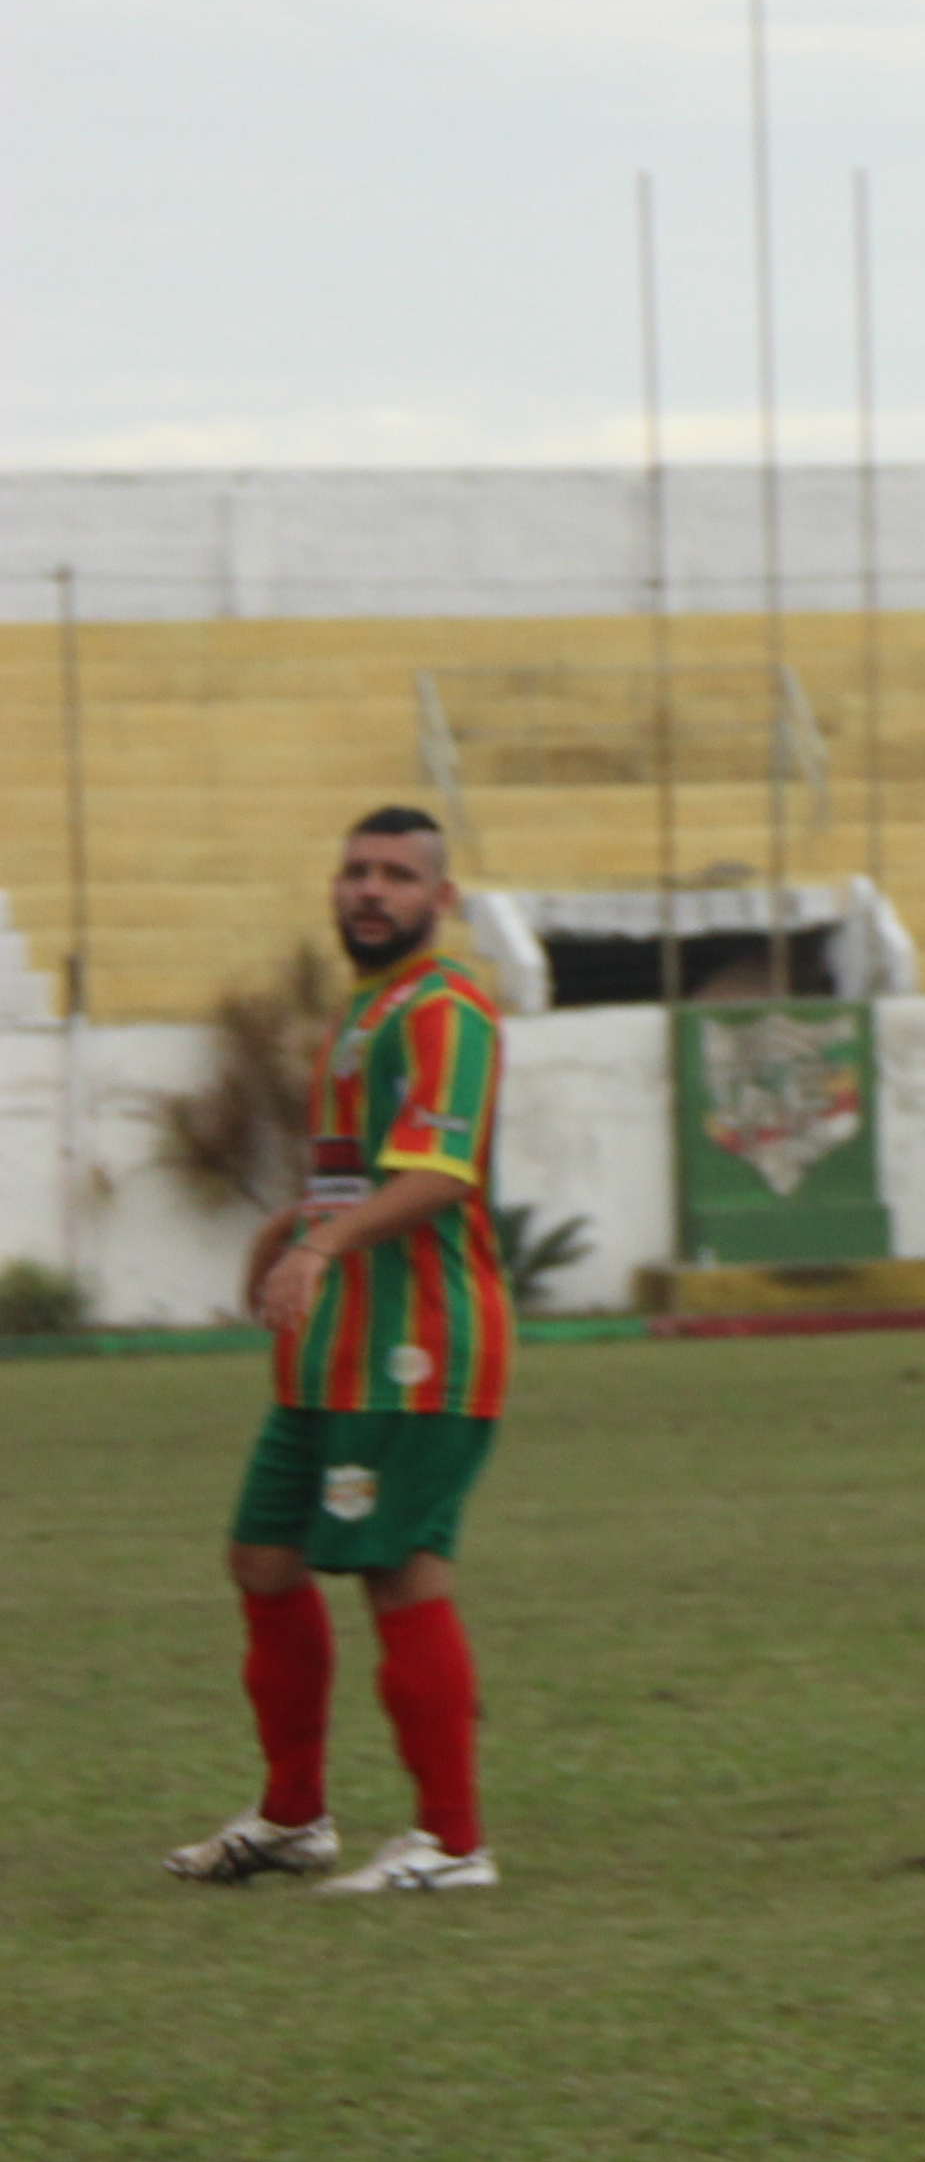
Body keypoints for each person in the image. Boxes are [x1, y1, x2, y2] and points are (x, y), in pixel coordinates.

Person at [164, 807, 517, 1896]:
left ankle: (452, 1844)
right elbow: (366, 1170)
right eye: (357, 870)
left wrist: (322, 1242)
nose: (370, 890)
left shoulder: (447, 1010)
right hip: (330, 1355)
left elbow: (441, 1174)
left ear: (440, 900)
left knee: (397, 1578)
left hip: (415, 1351)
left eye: (398, 876)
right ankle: (291, 1818)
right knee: (263, 1562)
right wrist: (292, 1228)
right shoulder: (369, 1010)